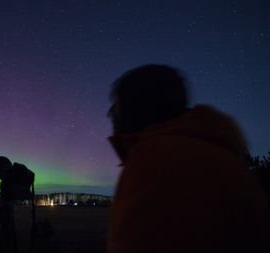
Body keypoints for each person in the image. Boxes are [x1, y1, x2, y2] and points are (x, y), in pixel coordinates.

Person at [107, 64, 270, 253]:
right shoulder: (224, 155)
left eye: (116, 105)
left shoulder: (155, 161)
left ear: (137, 106)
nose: (110, 114)